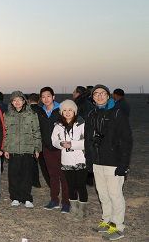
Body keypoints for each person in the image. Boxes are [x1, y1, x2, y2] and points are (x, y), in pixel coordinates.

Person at [85, 85, 132, 240]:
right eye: (96, 94)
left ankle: (118, 226)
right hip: (98, 162)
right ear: (92, 97)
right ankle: (107, 221)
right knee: (103, 195)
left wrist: (123, 165)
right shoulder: (91, 114)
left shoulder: (117, 113)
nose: (99, 96)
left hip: (114, 162)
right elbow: (88, 140)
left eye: (102, 93)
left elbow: (126, 140)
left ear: (108, 96)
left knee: (115, 195)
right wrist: (89, 161)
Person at [3, 91, 41, 208]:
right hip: (13, 150)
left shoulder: (31, 114)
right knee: (13, 175)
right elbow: (5, 133)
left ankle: (27, 197)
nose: (17, 102)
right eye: (14, 100)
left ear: (24, 101)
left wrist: (37, 148)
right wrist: (6, 149)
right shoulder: (7, 115)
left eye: (19, 99)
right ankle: (15, 197)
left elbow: (36, 131)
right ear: (12, 103)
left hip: (27, 149)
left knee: (26, 175)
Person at [51, 100, 88, 220]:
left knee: (81, 186)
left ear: (75, 111)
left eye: (70, 110)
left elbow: (87, 142)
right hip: (66, 160)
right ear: (61, 112)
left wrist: (72, 144)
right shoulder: (58, 125)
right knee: (70, 186)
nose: (67, 112)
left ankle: (82, 211)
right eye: (65, 110)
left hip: (80, 160)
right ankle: (74, 209)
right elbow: (54, 141)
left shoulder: (82, 124)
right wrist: (61, 143)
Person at [36, 87, 69, 213]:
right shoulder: (40, 112)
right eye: (43, 97)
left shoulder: (61, 110)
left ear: (53, 97)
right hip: (47, 148)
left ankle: (66, 203)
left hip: (61, 148)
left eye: (48, 96)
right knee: (53, 175)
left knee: (64, 176)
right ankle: (54, 200)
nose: (46, 99)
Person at [28, 93, 50, 188]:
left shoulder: (28, 111)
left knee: (32, 163)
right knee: (44, 164)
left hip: (30, 139)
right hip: (42, 139)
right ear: (39, 100)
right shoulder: (42, 110)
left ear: (28, 100)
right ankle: (50, 182)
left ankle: (35, 182)